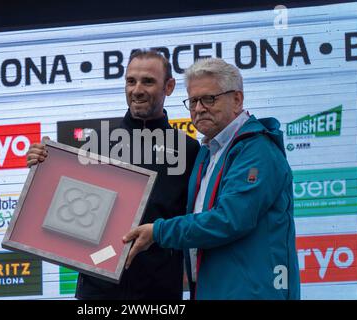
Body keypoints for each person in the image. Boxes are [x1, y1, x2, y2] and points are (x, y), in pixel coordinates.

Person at [26, 50, 200, 299]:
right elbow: (64, 210)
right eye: (131, 81)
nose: (137, 89)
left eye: (148, 81)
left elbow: (196, 222)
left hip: (158, 292)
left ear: (169, 86)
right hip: (97, 291)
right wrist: (42, 165)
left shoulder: (189, 150)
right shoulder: (95, 144)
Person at [123, 57, 301, 300]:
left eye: (209, 99)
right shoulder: (208, 152)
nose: (198, 109)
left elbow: (229, 219)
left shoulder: (257, 150)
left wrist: (159, 231)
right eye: (194, 100)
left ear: (237, 99)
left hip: (252, 293)